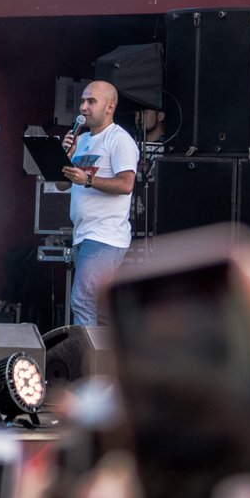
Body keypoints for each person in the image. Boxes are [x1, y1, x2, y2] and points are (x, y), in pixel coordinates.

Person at [60, 80, 138, 326]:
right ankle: (105, 362)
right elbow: (63, 185)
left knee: (82, 301)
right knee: (100, 311)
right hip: (83, 234)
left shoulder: (119, 139)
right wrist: (65, 157)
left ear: (110, 107)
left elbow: (126, 184)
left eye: (91, 101)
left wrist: (89, 180)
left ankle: (89, 364)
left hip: (105, 236)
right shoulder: (80, 141)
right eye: (83, 101)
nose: (83, 107)